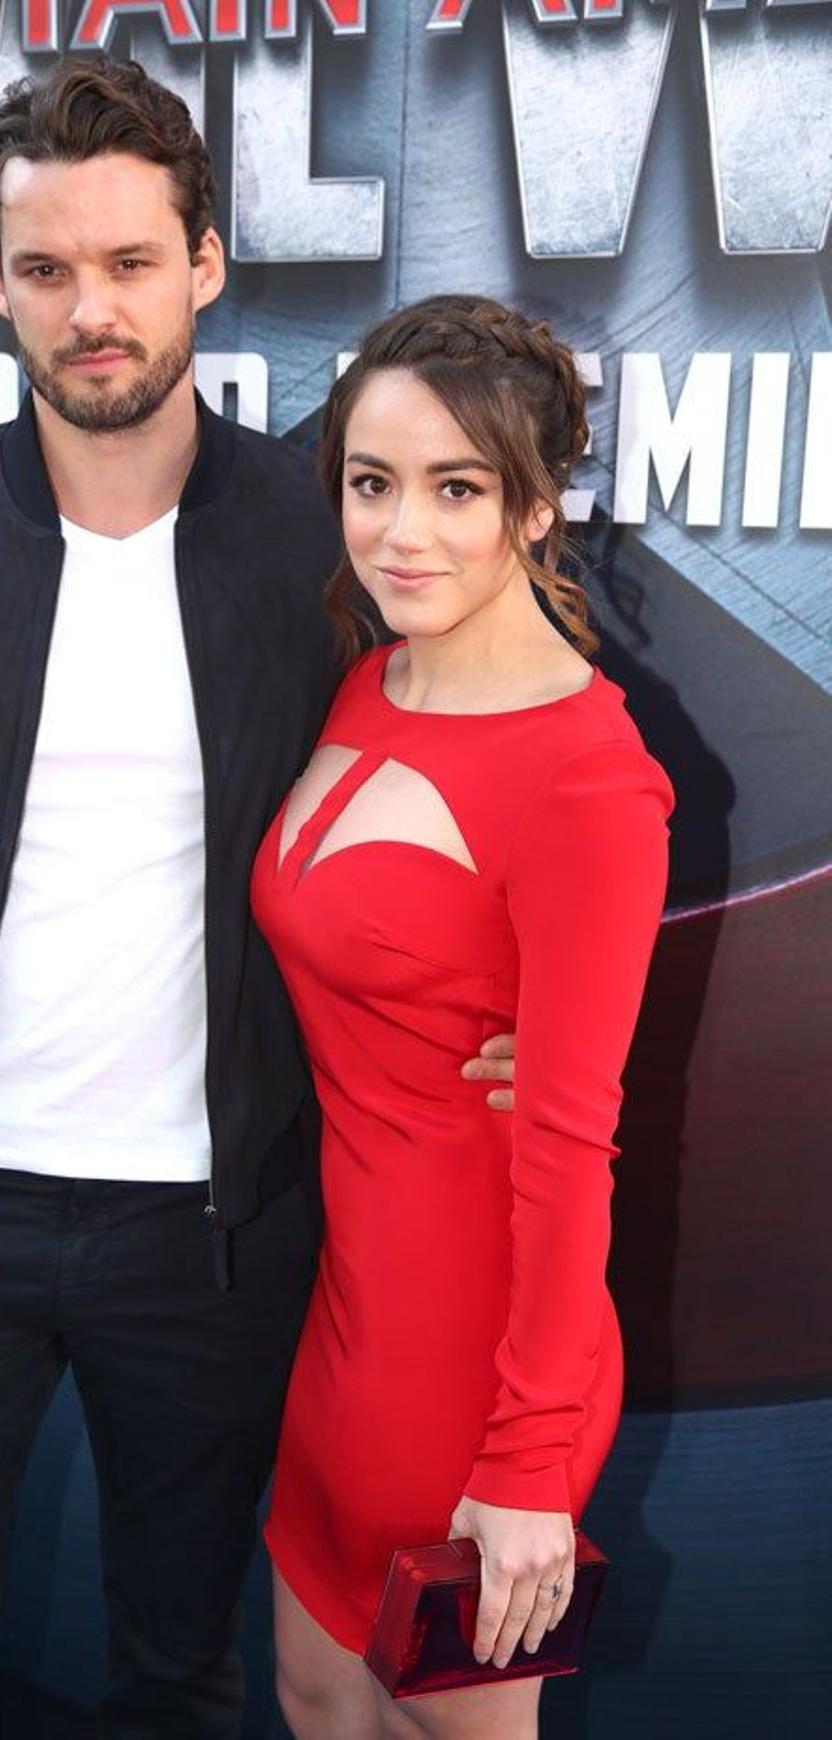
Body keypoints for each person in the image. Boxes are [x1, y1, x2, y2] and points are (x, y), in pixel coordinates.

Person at [0, 60, 517, 1740]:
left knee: (179, 1679)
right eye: (49, 268)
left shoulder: (322, 543)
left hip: (214, 1235)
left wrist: (521, 1026)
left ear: (205, 265)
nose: (92, 310)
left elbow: (492, 779)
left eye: (132, 263)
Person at [249, 295, 674, 1740]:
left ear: (541, 506)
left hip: (482, 1361)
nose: (403, 534)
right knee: (316, 1696)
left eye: (459, 489)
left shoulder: (589, 781)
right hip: (345, 1323)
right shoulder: (377, 676)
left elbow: (567, 1152)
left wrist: (532, 1460)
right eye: (374, 485)